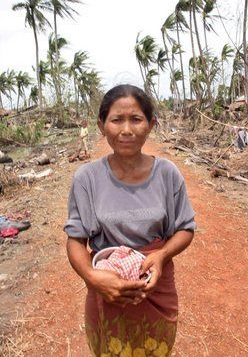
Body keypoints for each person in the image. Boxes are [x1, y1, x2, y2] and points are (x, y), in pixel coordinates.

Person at [64, 84, 196, 356]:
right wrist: (92, 277)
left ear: (150, 124)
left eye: (136, 119)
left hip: (155, 290)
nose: (126, 130)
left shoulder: (167, 174)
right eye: (116, 120)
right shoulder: (87, 179)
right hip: (107, 290)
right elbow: (75, 240)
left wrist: (160, 256)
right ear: (102, 125)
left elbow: (185, 229)